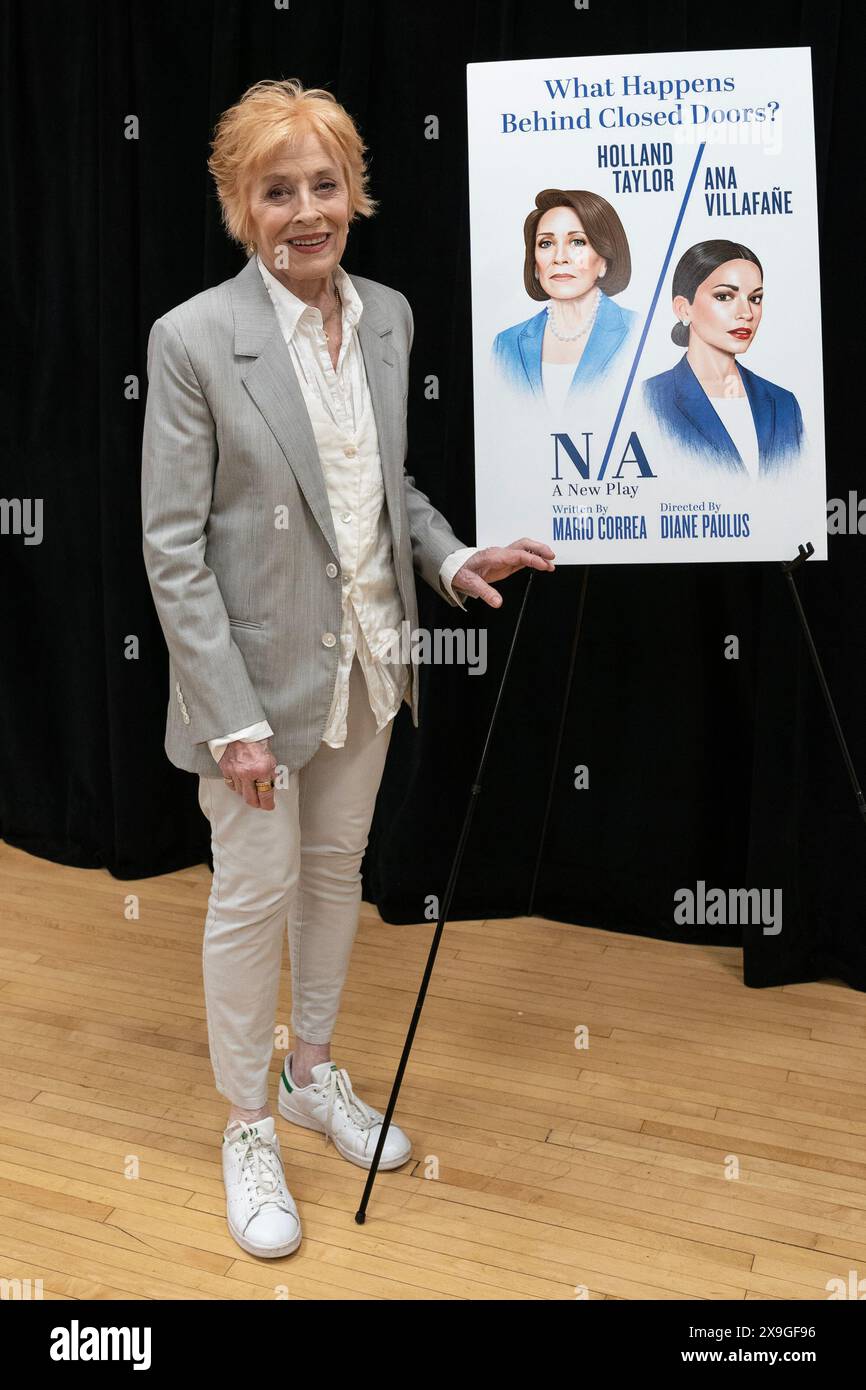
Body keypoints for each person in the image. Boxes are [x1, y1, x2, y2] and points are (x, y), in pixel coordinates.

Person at [141, 77, 555, 1259]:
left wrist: (452, 554)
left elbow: (381, 492)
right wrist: (230, 722)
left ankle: (310, 1074)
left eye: (324, 184)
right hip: (251, 702)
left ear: (352, 193)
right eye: (278, 189)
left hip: (371, 669)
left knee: (334, 880)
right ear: (239, 205)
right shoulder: (191, 341)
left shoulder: (387, 315)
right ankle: (243, 1125)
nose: (306, 209)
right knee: (249, 896)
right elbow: (171, 551)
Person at [641, 240, 804, 477]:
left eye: (755, 299)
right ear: (683, 309)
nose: (746, 313)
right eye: (725, 296)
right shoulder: (648, 399)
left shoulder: (783, 403)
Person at [492, 188, 639, 412]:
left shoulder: (638, 332)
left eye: (577, 242)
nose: (560, 258)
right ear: (534, 265)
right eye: (546, 244)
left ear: (605, 261)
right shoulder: (506, 344)